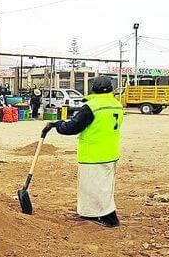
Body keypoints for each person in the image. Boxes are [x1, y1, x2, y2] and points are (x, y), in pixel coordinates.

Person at [44, 76, 123, 228]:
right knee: (101, 186)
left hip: (93, 153)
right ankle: (89, 213)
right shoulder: (116, 104)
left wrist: (58, 124)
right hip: (111, 152)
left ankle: (109, 217)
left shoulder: (92, 106)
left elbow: (73, 127)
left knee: (95, 187)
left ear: (93, 88)